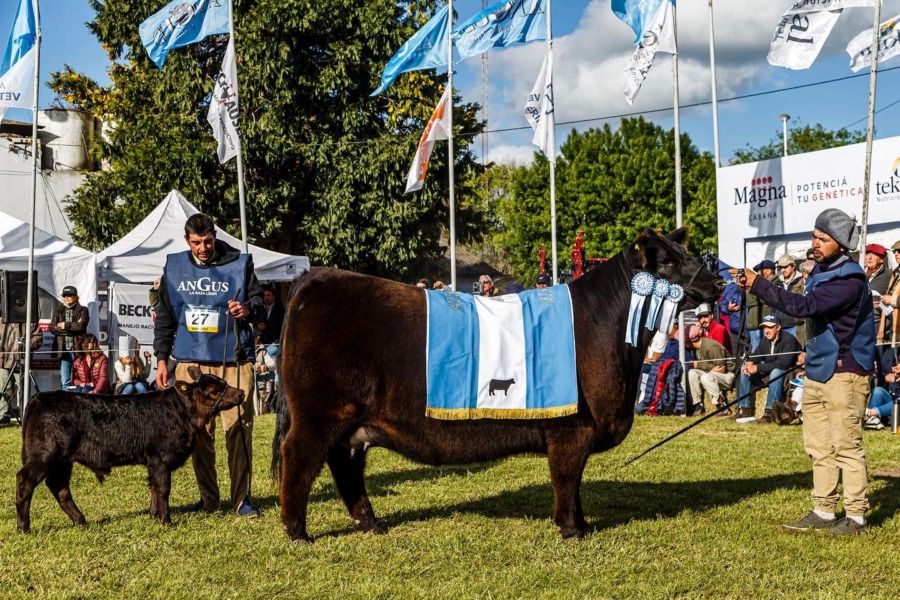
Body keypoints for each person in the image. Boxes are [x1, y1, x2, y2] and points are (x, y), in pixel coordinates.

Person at [732, 207, 875, 535]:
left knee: (846, 447)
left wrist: (758, 284)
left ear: (841, 244)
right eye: (814, 236)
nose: (815, 243)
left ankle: (856, 517)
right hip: (818, 372)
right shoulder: (822, 271)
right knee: (818, 447)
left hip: (845, 375)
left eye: (823, 239)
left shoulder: (850, 279)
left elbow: (803, 307)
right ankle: (824, 510)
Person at [153, 212, 264, 517]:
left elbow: (260, 307)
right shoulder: (174, 267)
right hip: (191, 361)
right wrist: (161, 359)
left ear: (215, 236)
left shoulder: (240, 263)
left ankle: (242, 500)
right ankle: (209, 499)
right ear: (186, 240)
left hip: (233, 360)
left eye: (208, 241)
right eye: (196, 242)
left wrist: (246, 310)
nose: (203, 248)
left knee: (239, 429)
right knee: (197, 433)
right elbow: (165, 317)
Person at [735, 314, 801, 423]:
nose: (766, 330)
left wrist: (758, 367)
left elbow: (783, 364)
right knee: (744, 369)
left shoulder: (789, 340)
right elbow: (757, 354)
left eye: (770, 327)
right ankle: (744, 410)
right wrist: (749, 363)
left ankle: (770, 413)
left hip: (787, 377)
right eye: (764, 327)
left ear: (778, 327)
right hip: (768, 375)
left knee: (776, 371)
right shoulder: (765, 340)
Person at [0, 310, 43, 425]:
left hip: (22, 361)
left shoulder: (30, 321)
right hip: (3, 361)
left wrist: (23, 347)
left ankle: (23, 414)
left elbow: (38, 338)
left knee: (23, 389)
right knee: (4, 389)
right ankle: (3, 415)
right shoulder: (3, 320)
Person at [685, 324, 735, 416]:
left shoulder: (711, 346)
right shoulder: (696, 349)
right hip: (712, 374)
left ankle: (722, 406)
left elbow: (721, 368)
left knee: (706, 377)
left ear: (689, 341)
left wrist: (699, 365)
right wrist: (710, 370)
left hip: (728, 375)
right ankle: (697, 405)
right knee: (692, 373)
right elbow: (712, 368)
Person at [49, 286, 90, 389]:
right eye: (64, 296)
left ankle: (80, 398)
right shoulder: (58, 310)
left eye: (69, 295)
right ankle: (66, 399)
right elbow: (53, 328)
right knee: (65, 382)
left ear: (76, 296)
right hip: (64, 351)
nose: (66, 298)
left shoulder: (83, 310)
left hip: (78, 351)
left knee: (82, 380)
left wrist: (63, 325)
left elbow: (81, 326)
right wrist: (72, 329)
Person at [746, 260, 776, 349]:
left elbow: (769, 298)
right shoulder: (757, 285)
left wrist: (759, 297)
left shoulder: (775, 283)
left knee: (768, 351)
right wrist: (761, 299)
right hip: (753, 326)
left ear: (769, 271)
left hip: (767, 326)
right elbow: (746, 300)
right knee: (755, 354)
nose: (758, 274)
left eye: (760, 271)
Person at [774, 254, 803, 339]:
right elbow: (773, 305)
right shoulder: (777, 283)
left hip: (796, 326)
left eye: (785, 267)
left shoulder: (802, 280)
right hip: (779, 326)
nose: (783, 270)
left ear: (793, 266)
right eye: (781, 267)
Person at [877, 240, 900, 344]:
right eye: (895, 251)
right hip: (892, 325)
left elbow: (893, 298)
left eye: (899, 251)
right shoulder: (896, 272)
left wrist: (892, 300)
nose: (896, 254)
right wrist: (881, 303)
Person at [865, 244, 891, 327]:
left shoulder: (890, 275)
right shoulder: (859, 272)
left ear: (881, 259)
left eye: (874, 254)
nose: (869, 258)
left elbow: (894, 298)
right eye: (867, 254)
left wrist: (880, 305)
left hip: (875, 321)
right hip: (856, 318)